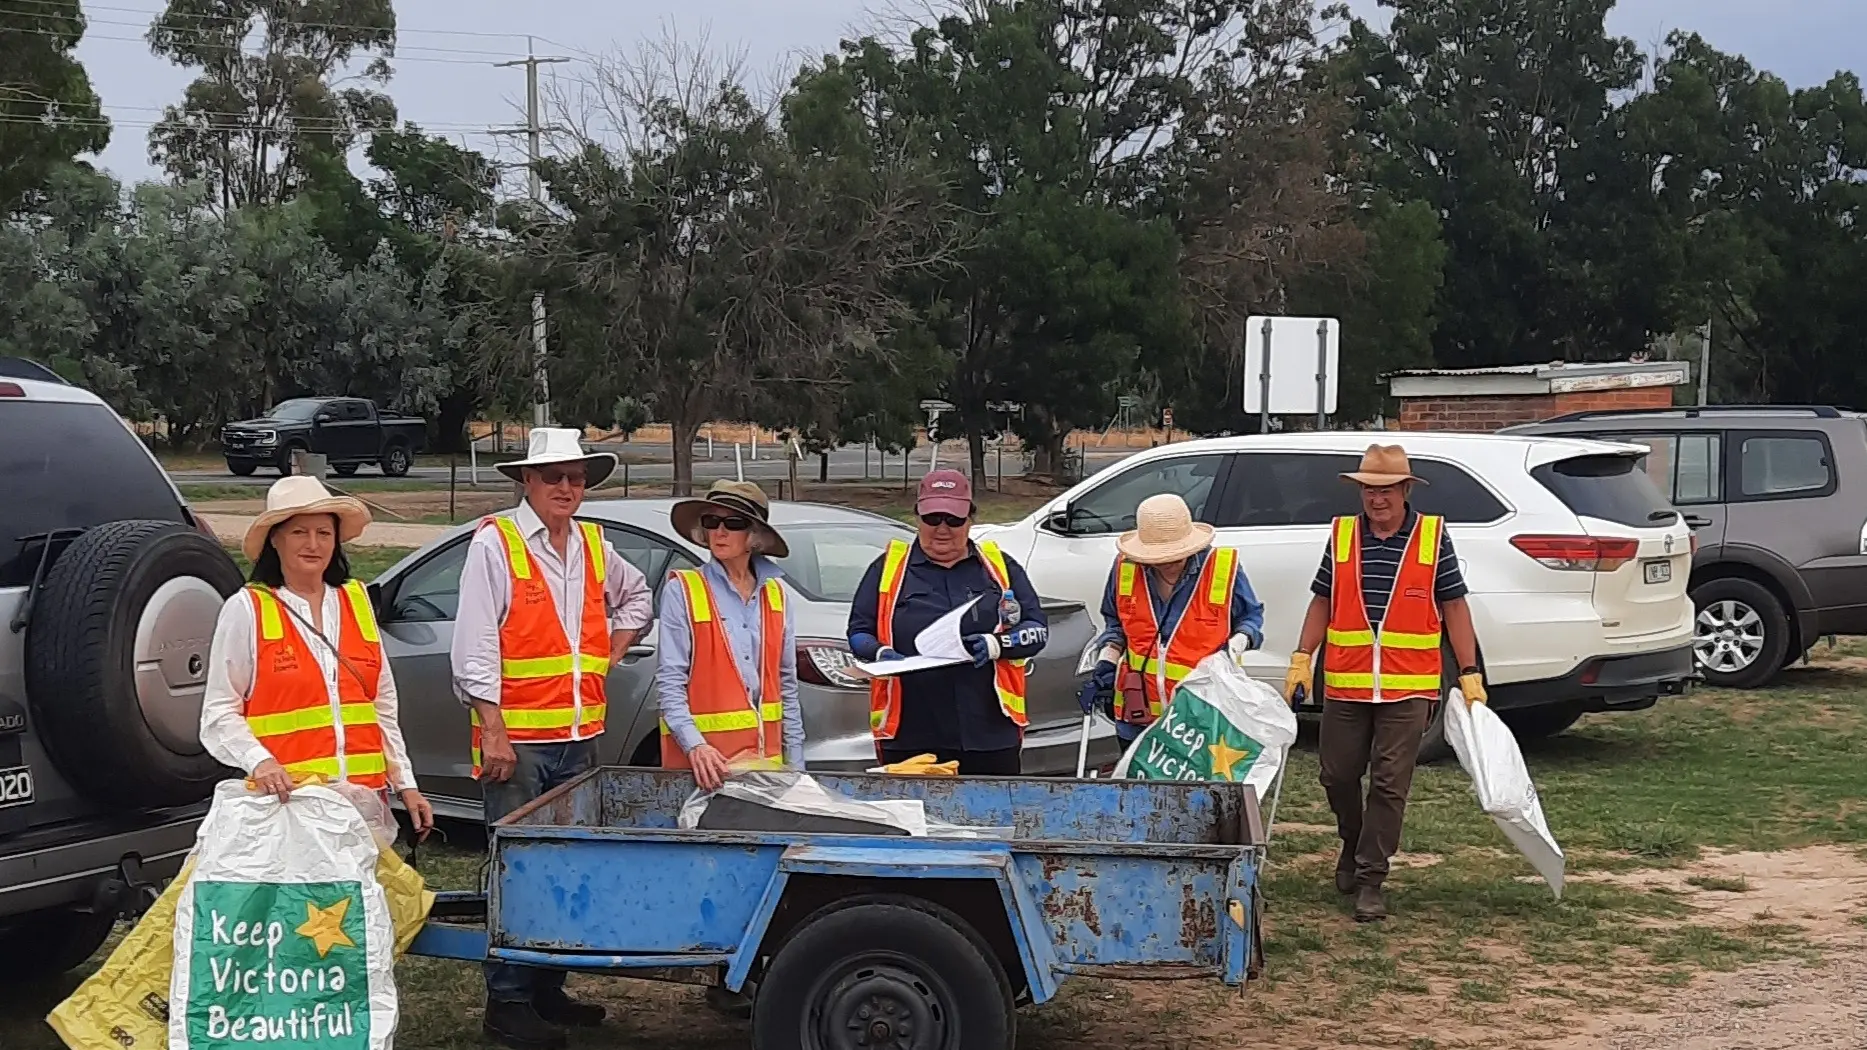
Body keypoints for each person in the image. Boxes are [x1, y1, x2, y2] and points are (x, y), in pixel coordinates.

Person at [450, 427, 654, 1050]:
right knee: (518, 869)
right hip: (520, 743)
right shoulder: (497, 544)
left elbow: (637, 599)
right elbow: (475, 646)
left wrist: (608, 656)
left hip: (577, 735)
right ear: (527, 483)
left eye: (576, 478)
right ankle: (506, 1004)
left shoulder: (594, 544)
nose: (567, 488)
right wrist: (493, 731)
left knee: (566, 865)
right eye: (553, 477)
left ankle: (545, 990)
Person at [1283, 444, 1485, 923]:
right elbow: (1323, 600)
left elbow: (1454, 606)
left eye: (1386, 490)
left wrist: (1470, 671)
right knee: (1336, 774)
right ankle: (1352, 843)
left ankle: (1371, 877)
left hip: (1408, 686)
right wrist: (1301, 656)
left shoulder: (1433, 537)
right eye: (1369, 490)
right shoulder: (1343, 535)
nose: (1377, 499)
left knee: (1391, 784)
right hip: (1348, 685)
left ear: (1406, 490)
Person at [200, 475, 434, 838]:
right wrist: (259, 761)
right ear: (274, 539)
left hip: (364, 805)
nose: (313, 544)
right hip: (289, 807)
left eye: (324, 533)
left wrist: (405, 782)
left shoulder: (356, 601)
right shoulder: (247, 609)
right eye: (299, 532)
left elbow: (381, 704)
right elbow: (218, 712)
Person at [847, 469, 1049, 775]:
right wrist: (881, 655)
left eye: (954, 520)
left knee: (992, 819)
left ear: (970, 519)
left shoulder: (999, 567)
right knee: (916, 819)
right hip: (910, 733)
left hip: (989, 732)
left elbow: (1037, 630)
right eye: (932, 518)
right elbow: (859, 632)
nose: (943, 529)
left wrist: (996, 645)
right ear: (917, 517)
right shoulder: (888, 568)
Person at [1079, 493, 1265, 748]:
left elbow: (1250, 617)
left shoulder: (1221, 567)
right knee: (1138, 787)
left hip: (1201, 715)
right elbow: (1116, 625)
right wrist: (1106, 664)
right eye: (1158, 558)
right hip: (1138, 714)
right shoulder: (1125, 568)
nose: (1169, 563)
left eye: (1177, 555)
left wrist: (1235, 646)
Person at [656, 480, 803, 790]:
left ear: (755, 537)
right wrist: (695, 745)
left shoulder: (776, 595)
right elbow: (670, 682)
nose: (720, 532)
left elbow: (786, 684)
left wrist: (797, 765)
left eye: (733, 523)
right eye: (712, 522)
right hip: (704, 771)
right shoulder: (682, 590)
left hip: (766, 770)